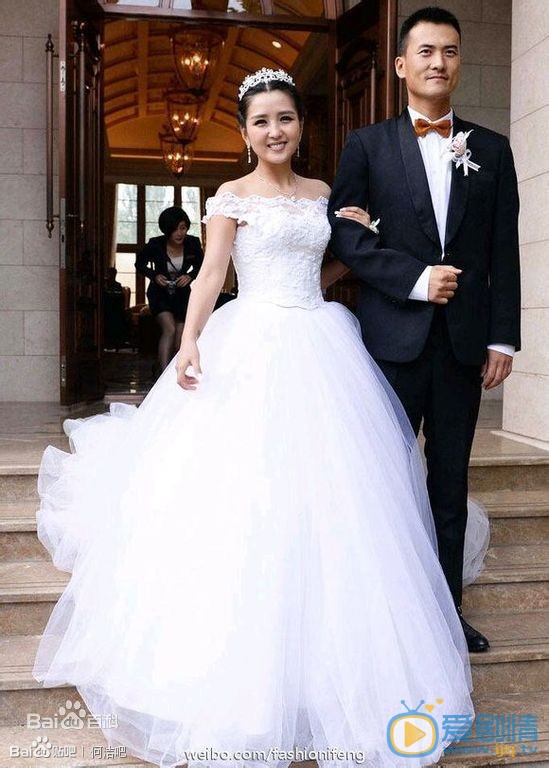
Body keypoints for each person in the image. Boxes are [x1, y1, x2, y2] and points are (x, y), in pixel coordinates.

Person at [33, 69, 477, 768]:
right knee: (244, 488)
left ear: (301, 126)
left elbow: (330, 268)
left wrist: (350, 248)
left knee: (336, 493)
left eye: (285, 119)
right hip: (251, 340)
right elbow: (212, 274)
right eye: (261, 121)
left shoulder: (324, 193)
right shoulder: (230, 196)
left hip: (320, 338)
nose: (275, 131)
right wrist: (190, 341)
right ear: (245, 133)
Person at [328, 6, 521, 653]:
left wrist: (501, 337)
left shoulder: (491, 150)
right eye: (427, 51)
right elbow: (346, 236)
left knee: (449, 486)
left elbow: (501, 252)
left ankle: (444, 615)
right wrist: (415, 279)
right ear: (400, 65)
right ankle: (376, 619)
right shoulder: (367, 146)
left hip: (463, 347)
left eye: (450, 51)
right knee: (380, 482)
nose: (439, 62)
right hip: (389, 344)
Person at [135, 206, 204, 371]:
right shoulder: (155, 244)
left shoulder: (193, 243)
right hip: (159, 293)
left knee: (180, 335)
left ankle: (175, 372)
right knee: (170, 329)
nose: (179, 233)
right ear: (166, 230)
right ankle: (163, 374)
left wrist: (190, 276)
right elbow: (139, 264)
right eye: (174, 229)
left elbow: (202, 265)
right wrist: (154, 276)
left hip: (182, 294)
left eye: (183, 228)